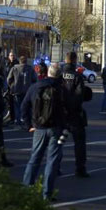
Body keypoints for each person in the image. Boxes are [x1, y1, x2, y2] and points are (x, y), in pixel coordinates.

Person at [20, 62, 67, 200]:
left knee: (34, 158)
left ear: (48, 73)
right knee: (52, 160)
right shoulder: (61, 89)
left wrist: (28, 124)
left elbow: (24, 106)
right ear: (59, 75)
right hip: (56, 128)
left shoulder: (35, 87)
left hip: (39, 128)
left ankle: (26, 188)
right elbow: (69, 108)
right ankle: (47, 193)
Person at [62, 52, 92, 178]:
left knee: (58, 141)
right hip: (74, 115)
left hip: (61, 114)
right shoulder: (77, 76)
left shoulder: (60, 75)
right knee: (79, 142)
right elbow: (79, 95)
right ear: (74, 60)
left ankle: (55, 165)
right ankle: (80, 168)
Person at [7, 55, 37, 129]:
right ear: (26, 61)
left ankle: (18, 123)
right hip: (27, 90)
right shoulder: (30, 69)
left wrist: (12, 86)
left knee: (17, 107)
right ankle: (27, 123)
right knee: (27, 107)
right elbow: (35, 79)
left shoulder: (14, 68)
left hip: (17, 90)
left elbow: (9, 79)